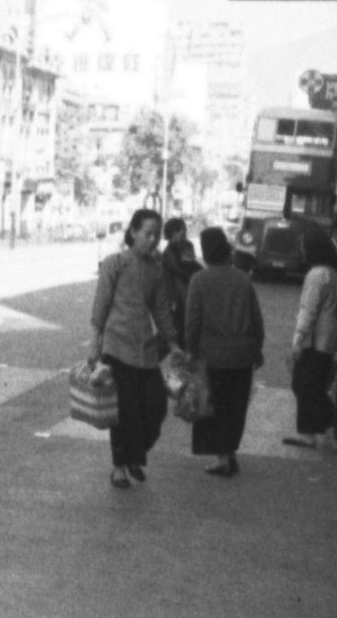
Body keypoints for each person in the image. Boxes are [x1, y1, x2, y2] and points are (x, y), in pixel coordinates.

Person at [89, 208, 183, 489]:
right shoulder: (114, 264)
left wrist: (174, 343)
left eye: (156, 235)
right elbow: (100, 309)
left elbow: (161, 310)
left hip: (145, 352)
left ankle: (133, 455)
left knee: (155, 409)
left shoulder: (156, 270)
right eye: (148, 234)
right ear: (133, 232)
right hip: (116, 350)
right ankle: (119, 468)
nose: (153, 240)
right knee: (124, 413)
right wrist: (95, 347)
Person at [185, 227, 265, 477]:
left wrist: (190, 350)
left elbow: (192, 321)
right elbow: (256, 319)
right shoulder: (243, 279)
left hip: (213, 357)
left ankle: (223, 459)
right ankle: (230, 453)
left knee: (214, 407)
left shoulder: (199, 280)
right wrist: (257, 349)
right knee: (235, 407)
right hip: (242, 356)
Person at [282, 225, 337, 449]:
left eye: (304, 246)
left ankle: (316, 429)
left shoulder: (317, 275)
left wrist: (297, 340)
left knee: (304, 384)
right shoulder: (332, 273)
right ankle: (311, 431)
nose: (302, 250)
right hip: (328, 341)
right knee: (311, 385)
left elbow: (308, 310)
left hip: (314, 341)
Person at [161, 217, 202, 348]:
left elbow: (191, 265)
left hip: (187, 296)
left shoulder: (186, 245)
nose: (186, 234)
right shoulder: (168, 253)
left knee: (184, 331)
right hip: (177, 299)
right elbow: (185, 269)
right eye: (183, 232)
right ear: (173, 233)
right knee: (177, 332)